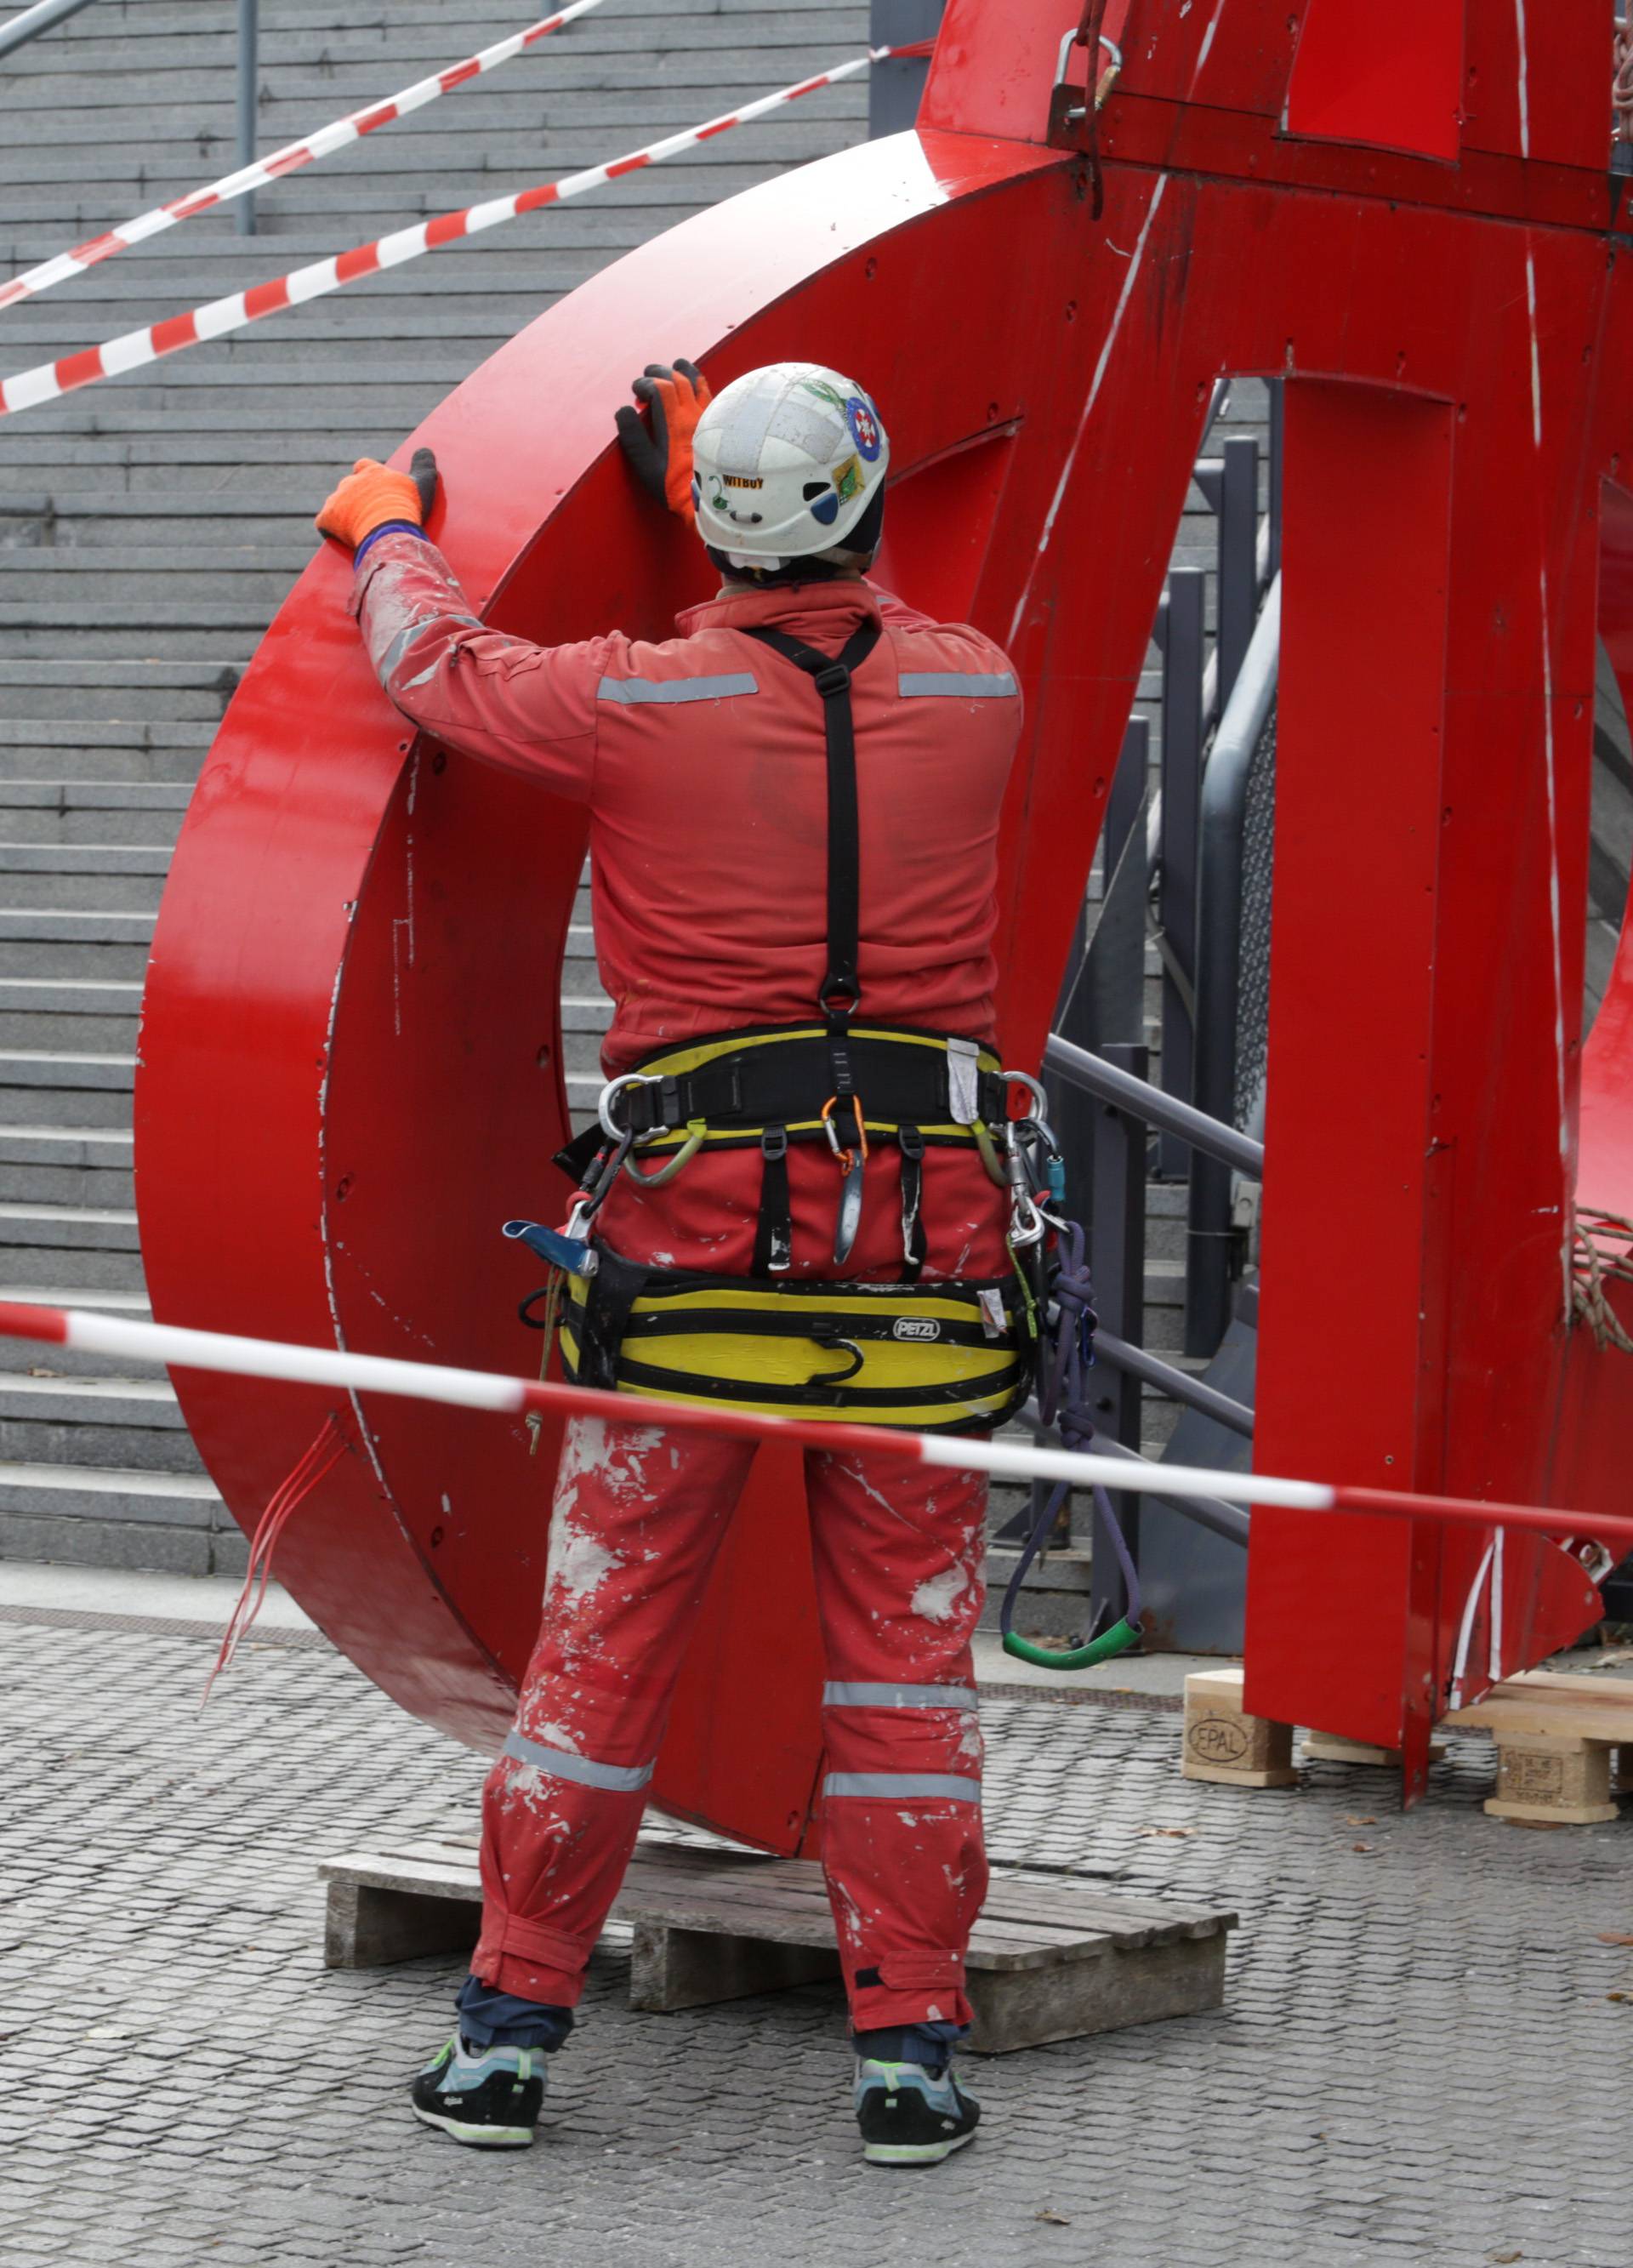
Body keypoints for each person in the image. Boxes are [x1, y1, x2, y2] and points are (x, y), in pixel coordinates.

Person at [316, 360, 1024, 2167]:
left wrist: (389, 535)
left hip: (689, 1280)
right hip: (925, 1283)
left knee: (603, 1655)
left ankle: (507, 2036)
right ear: (864, 508)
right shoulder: (982, 690)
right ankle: (912, 2052)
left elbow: (442, 672)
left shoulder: (635, 700)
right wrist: (731, 476)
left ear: (715, 527)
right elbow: (815, 695)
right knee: (903, 1681)